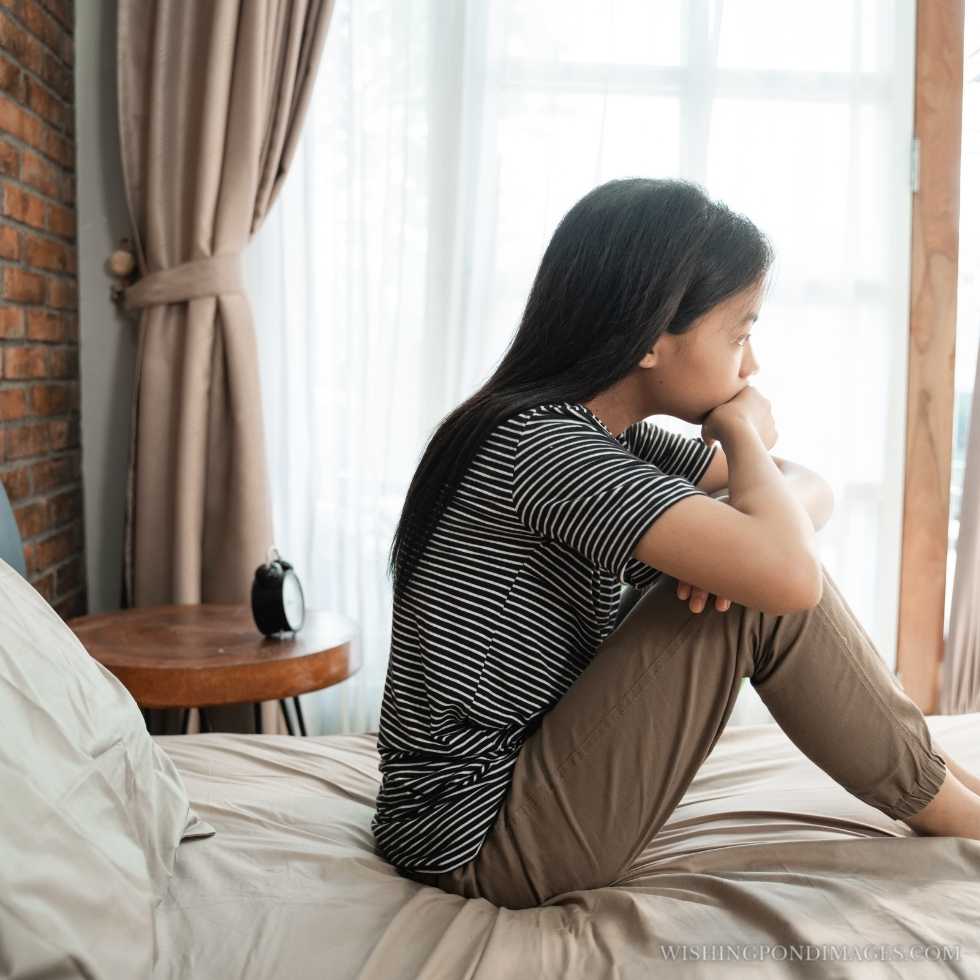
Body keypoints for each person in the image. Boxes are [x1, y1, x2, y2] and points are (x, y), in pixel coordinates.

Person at [371, 177, 980, 910]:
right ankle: (951, 809)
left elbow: (805, 488)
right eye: (741, 332)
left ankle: (941, 785)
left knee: (752, 569)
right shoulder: (545, 449)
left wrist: (746, 521)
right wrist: (745, 438)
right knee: (754, 596)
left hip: (495, 803)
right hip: (479, 844)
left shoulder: (595, 433)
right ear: (655, 335)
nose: (750, 367)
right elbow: (789, 576)